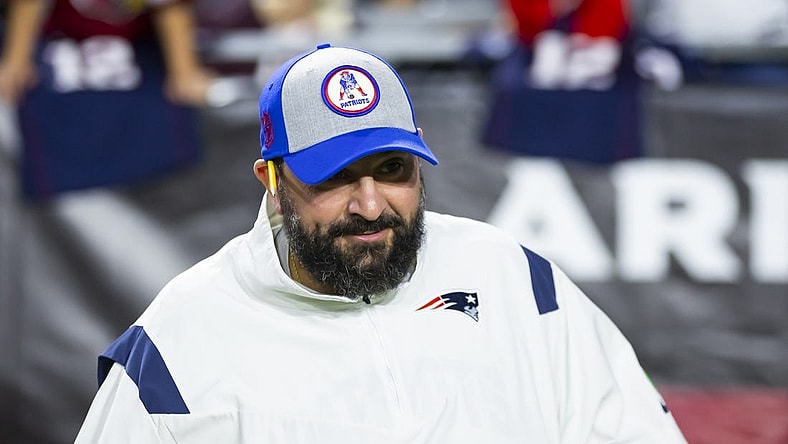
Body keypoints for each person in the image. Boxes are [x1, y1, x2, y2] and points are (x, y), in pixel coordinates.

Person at [74, 43, 687, 443]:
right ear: (272, 181)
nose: (371, 205)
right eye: (336, 177)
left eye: (392, 169)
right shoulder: (177, 345)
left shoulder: (517, 281)